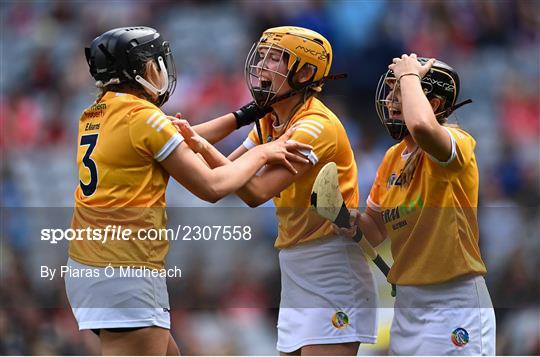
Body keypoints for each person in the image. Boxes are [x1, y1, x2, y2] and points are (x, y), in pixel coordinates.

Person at [65, 26, 310, 356]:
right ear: (139, 69)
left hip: (89, 268)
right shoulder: (143, 118)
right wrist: (263, 153)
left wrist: (245, 116)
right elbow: (212, 187)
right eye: (154, 62)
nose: (161, 68)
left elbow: (180, 139)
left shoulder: (96, 113)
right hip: (127, 271)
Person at [175, 26, 378, 356]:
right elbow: (225, 175)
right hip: (296, 264)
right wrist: (190, 141)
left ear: (306, 73)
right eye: (263, 56)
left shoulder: (316, 127)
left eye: (275, 58)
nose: (262, 65)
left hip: (331, 267)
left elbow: (254, 192)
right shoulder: (271, 121)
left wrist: (199, 144)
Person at [336, 53, 496, 355]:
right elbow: (373, 231)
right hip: (408, 306)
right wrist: (344, 217)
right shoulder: (392, 158)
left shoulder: (456, 140)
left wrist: (410, 73)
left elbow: (422, 127)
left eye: (402, 91)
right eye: (392, 90)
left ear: (433, 105)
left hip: (454, 303)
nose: (392, 99)